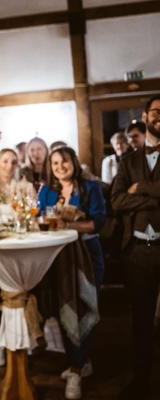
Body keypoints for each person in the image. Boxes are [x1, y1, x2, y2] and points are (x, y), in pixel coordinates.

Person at [38, 146, 106, 400]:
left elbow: (97, 223)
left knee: (85, 306)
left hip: (87, 253)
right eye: (55, 163)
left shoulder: (90, 188)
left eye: (64, 161)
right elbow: (40, 220)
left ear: (74, 162)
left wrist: (68, 224)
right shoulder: (47, 191)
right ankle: (77, 362)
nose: (60, 167)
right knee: (63, 307)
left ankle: (76, 368)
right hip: (57, 256)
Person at [112, 95, 160, 399]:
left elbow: (129, 196)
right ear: (145, 116)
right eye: (156, 111)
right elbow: (117, 201)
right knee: (141, 321)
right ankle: (141, 381)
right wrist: (154, 198)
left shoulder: (136, 176)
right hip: (138, 251)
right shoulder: (128, 160)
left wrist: (141, 188)